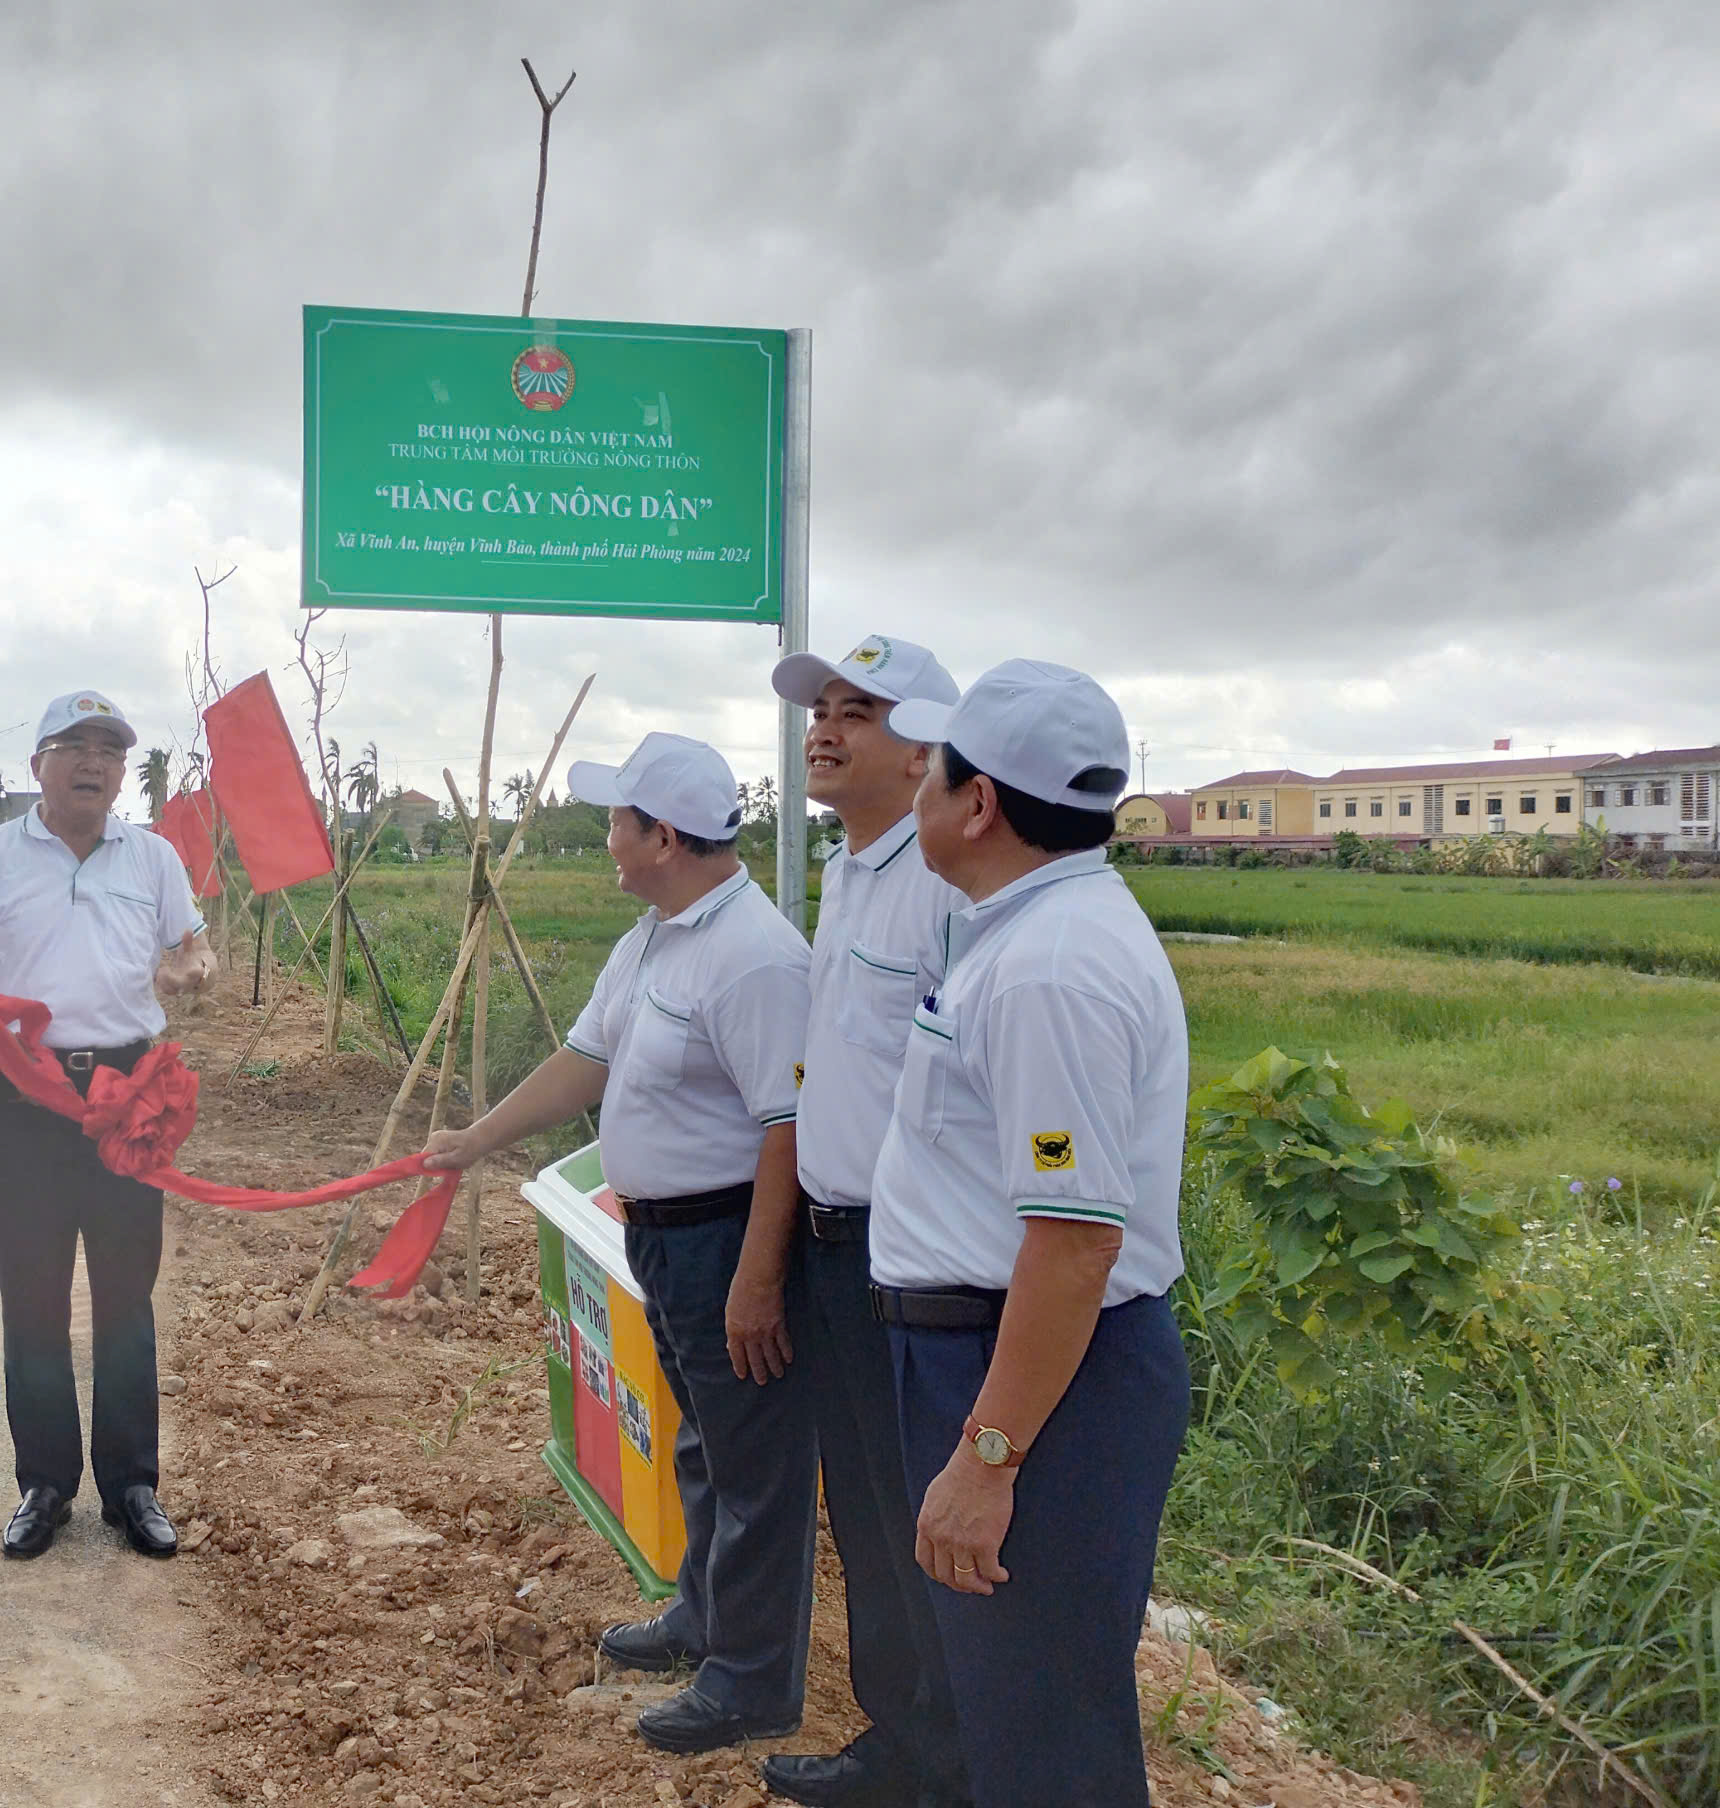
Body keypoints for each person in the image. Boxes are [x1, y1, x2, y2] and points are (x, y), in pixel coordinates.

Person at [425, 732, 815, 1756]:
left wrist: (758, 1279)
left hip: (728, 1239)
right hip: (663, 1242)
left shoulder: (757, 958)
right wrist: (475, 1139)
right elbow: (583, 1063)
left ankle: (753, 1681)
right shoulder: (653, 938)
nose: (606, 839)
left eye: (616, 822)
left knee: (754, 1464)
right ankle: (704, 1617)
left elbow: (790, 1129)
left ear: (665, 838)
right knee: (705, 1442)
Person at [869, 661, 1191, 1807]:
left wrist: (987, 1458)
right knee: (1006, 1704)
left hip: (1036, 1379)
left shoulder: (1050, 970)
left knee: (1045, 1725)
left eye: (930, 769)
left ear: (978, 804)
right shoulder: (1021, 933)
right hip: (997, 1357)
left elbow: (1073, 1244)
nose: (914, 787)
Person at [751, 637, 972, 1808]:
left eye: (858, 712)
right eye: (819, 710)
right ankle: (903, 1745)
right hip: (836, 1247)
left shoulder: (947, 885)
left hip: (915, 1261)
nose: (823, 730)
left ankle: (955, 1764)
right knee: (870, 1516)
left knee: (921, 1520)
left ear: (925, 747)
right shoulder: (847, 873)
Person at [0, 690, 215, 1562]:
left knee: (126, 1292)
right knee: (34, 1293)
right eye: (75, 747)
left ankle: (132, 1485)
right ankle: (45, 1484)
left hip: (129, 1093)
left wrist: (192, 968)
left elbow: (195, 945)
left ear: (123, 772)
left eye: (110, 750)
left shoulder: (153, 856)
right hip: (25, 1098)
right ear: (38, 766)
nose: (95, 763)